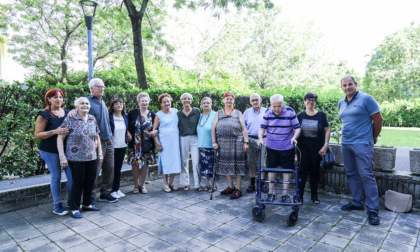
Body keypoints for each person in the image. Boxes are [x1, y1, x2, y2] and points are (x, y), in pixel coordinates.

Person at [339, 75, 383, 226]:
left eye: (350, 84)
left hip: (362, 143)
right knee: (351, 174)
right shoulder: (341, 103)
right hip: (346, 143)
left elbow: (378, 119)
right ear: (342, 88)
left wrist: (373, 137)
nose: (347, 87)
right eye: (344, 85)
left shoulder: (366, 99)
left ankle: (372, 210)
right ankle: (357, 202)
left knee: (366, 175)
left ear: (356, 84)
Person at [69, 78, 117, 204]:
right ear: (91, 89)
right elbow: (78, 111)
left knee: (109, 168)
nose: (102, 89)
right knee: (95, 171)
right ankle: (89, 197)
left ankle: (105, 193)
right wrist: (74, 111)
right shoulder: (87, 102)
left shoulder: (103, 102)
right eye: (99, 86)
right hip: (96, 141)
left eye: (103, 86)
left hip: (109, 139)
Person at [57, 97, 102, 218]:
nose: (85, 105)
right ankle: (74, 208)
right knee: (78, 182)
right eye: (82, 103)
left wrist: (100, 153)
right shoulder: (70, 119)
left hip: (91, 156)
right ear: (76, 106)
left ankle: (87, 204)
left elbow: (97, 137)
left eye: (87, 103)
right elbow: (60, 138)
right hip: (75, 157)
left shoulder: (92, 118)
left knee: (90, 181)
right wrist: (62, 156)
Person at [35, 88, 72, 216]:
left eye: (60, 97)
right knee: (56, 176)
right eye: (55, 97)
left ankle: (71, 201)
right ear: (49, 99)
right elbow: (38, 134)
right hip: (49, 150)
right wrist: (55, 132)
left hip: (67, 150)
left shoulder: (67, 113)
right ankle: (57, 205)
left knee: (71, 176)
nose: (58, 99)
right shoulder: (44, 114)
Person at [258, 94, 301, 203]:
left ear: (283, 104)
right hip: (272, 147)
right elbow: (262, 129)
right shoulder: (268, 112)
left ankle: (285, 195)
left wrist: (294, 138)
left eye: (279, 106)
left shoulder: (290, 111)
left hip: (287, 147)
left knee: (287, 171)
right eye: (274, 106)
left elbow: (297, 129)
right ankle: (271, 194)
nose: (277, 109)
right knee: (271, 170)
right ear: (271, 105)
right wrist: (260, 139)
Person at [292, 92, 330, 204]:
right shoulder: (300, 116)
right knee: (302, 173)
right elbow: (295, 130)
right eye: (308, 100)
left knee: (315, 172)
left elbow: (327, 130)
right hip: (302, 149)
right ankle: (300, 196)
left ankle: (314, 196)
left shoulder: (321, 115)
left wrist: (325, 145)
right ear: (304, 101)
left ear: (315, 102)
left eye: (313, 100)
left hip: (317, 148)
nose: (310, 102)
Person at [211, 91, 249, 199]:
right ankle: (231, 187)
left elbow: (244, 129)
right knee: (226, 165)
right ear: (223, 100)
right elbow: (213, 128)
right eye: (227, 98)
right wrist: (214, 142)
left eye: (231, 99)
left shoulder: (238, 113)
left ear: (233, 101)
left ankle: (239, 189)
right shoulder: (218, 113)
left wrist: (246, 143)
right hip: (223, 143)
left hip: (237, 141)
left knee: (238, 166)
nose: (229, 100)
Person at [128, 92, 157, 194]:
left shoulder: (152, 115)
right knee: (135, 164)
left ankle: (142, 185)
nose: (144, 103)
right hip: (135, 144)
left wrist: (155, 131)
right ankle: (136, 185)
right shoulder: (133, 113)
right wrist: (127, 132)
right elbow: (126, 125)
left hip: (147, 145)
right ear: (138, 102)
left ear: (148, 102)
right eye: (142, 101)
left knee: (145, 165)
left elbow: (157, 128)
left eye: (146, 101)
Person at [153, 93, 182, 192]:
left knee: (173, 162)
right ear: (161, 104)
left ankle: (171, 183)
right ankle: (165, 184)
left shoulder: (176, 112)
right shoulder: (158, 115)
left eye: (168, 101)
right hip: (164, 142)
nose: (166, 103)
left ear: (171, 102)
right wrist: (158, 143)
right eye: (164, 102)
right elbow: (154, 131)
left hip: (174, 142)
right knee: (165, 162)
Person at [243, 93, 267, 193]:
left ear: (260, 100)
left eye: (256, 100)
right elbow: (243, 128)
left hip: (264, 139)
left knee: (263, 163)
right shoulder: (247, 112)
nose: (255, 102)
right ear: (250, 102)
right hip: (251, 139)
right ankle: (252, 184)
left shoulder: (267, 111)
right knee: (251, 162)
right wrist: (245, 142)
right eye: (253, 100)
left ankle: (261, 184)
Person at [178, 93, 202, 191]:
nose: (186, 100)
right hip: (183, 138)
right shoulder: (178, 113)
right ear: (181, 101)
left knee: (196, 161)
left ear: (191, 101)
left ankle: (198, 184)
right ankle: (185, 183)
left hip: (195, 137)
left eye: (189, 99)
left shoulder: (196, 111)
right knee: (184, 161)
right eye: (184, 99)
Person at [109, 98, 132, 199]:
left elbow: (127, 128)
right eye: (116, 104)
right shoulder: (109, 117)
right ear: (112, 106)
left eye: (121, 104)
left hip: (122, 145)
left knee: (118, 169)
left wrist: (128, 132)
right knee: (111, 169)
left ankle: (117, 189)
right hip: (111, 146)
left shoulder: (125, 117)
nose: (119, 105)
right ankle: (111, 190)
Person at [196, 97, 217, 192]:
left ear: (211, 104)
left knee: (212, 165)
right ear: (201, 105)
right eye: (204, 103)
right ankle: (207, 184)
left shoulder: (215, 115)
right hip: (201, 144)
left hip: (211, 144)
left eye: (208, 103)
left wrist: (215, 142)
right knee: (204, 166)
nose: (205, 104)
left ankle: (214, 184)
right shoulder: (200, 116)